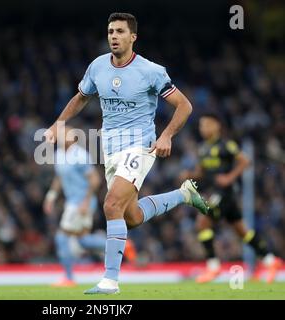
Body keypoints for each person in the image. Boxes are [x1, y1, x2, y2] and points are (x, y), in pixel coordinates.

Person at [44, 12, 209, 294]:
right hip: (111, 150)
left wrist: (166, 135)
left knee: (111, 204)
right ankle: (184, 194)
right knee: (130, 216)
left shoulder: (151, 71)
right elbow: (81, 98)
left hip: (140, 146)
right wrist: (58, 123)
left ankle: (110, 280)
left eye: (120, 32)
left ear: (133, 37)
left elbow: (184, 106)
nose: (114, 37)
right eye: (110, 32)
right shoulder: (97, 67)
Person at [179, 113, 282, 283]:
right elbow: (201, 172)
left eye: (206, 124)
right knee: (242, 231)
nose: (203, 128)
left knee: (202, 222)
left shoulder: (226, 145)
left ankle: (213, 267)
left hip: (225, 193)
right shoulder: (203, 148)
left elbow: (245, 161)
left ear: (217, 126)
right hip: (218, 193)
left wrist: (230, 177)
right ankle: (271, 261)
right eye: (201, 125)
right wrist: (190, 174)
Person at [43, 125, 136, 287]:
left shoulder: (80, 155)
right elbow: (59, 178)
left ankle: (68, 278)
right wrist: (51, 196)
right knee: (83, 241)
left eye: (67, 133)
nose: (64, 136)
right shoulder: (58, 155)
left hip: (79, 203)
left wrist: (85, 201)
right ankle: (123, 244)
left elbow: (94, 179)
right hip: (73, 202)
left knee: (61, 237)